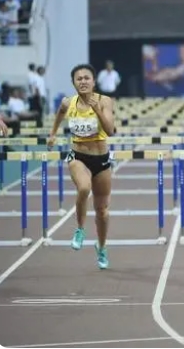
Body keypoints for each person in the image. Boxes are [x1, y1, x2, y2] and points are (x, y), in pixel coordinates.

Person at [48, 64, 116, 270]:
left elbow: (111, 130)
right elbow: (60, 114)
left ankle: (101, 247)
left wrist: (96, 109)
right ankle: (79, 229)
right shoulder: (68, 103)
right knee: (84, 188)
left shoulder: (104, 101)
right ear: (74, 83)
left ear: (94, 82)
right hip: (78, 155)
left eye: (87, 78)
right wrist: (53, 133)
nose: (83, 81)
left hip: (102, 159)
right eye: (79, 79)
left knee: (102, 211)